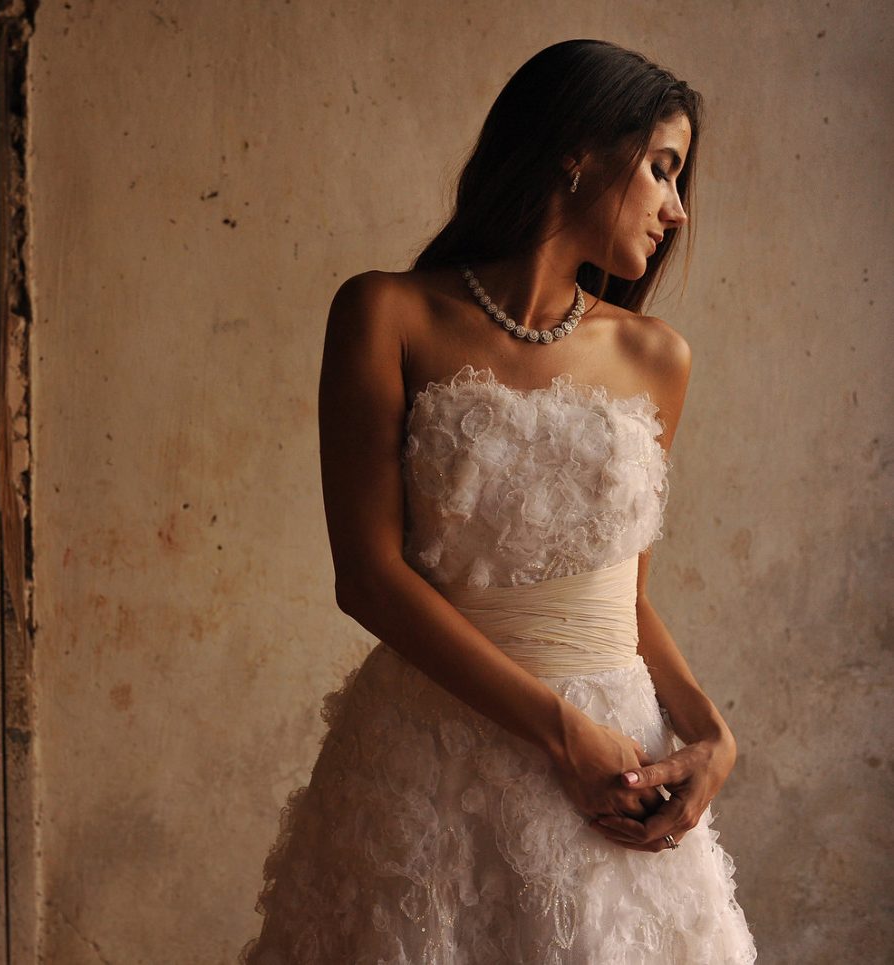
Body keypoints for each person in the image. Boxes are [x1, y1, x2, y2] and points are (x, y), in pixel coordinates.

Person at [240, 39, 757, 963]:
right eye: (663, 169)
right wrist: (562, 732)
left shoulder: (656, 358)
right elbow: (368, 575)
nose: (677, 210)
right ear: (576, 152)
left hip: (617, 761)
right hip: (429, 757)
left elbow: (621, 595)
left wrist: (710, 732)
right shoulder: (384, 314)